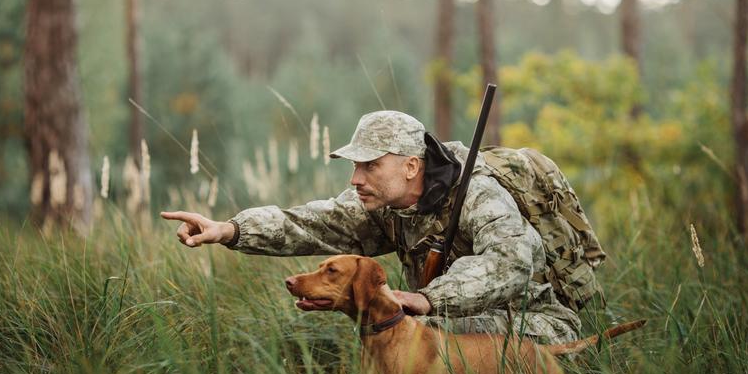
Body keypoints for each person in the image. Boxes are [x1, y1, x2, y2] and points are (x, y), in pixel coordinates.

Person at [161, 110, 581, 344]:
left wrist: (430, 300)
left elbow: (511, 262)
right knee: (402, 334)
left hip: (536, 324)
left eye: (370, 165)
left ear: (411, 165)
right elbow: (311, 223)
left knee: (415, 335)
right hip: (450, 320)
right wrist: (231, 230)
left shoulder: (479, 194)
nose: (355, 178)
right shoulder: (383, 203)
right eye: (355, 165)